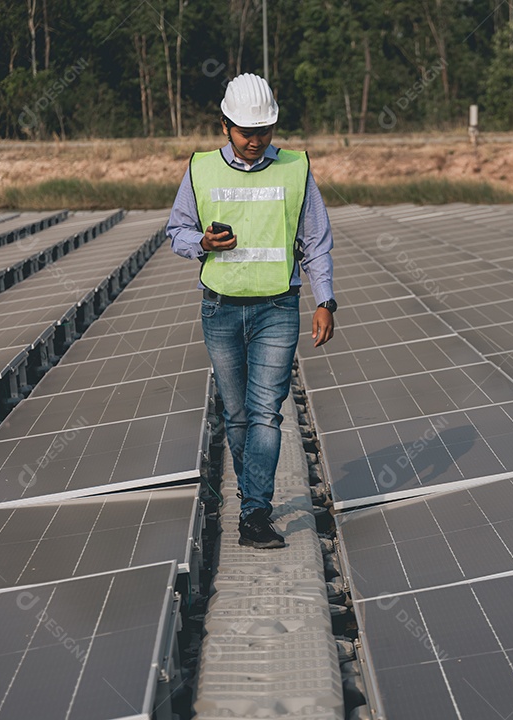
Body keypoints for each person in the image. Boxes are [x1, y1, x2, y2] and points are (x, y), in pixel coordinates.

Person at [167, 73, 337, 549]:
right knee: (238, 415)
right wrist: (201, 241)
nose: (256, 141)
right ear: (225, 126)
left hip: (277, 309)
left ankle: (255, 514)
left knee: (266, 413)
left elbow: (316, 242)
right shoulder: (201, 169)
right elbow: (176, 230)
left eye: (264, 132)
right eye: (247, 132)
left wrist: (324, 299)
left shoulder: (295, 169)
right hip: (220, 309)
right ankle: (251, 494)